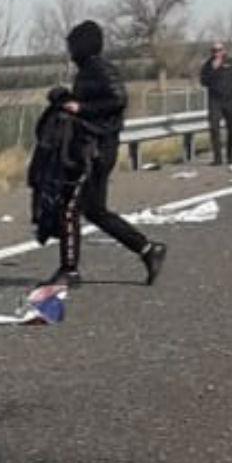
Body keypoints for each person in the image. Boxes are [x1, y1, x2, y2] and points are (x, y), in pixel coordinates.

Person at [47, 20, 168, 287]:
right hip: (96, 147)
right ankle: (149, 250)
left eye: (72, 45)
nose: (70, 50)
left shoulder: (99, 68)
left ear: (83, 45)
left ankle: (69, 270)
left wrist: (80, 108)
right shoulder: (88, 70)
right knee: (95, 210)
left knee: (70, 207)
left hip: (96, 149)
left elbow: (118, 98)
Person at [197, 40, 232, 168]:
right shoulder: (208, 65)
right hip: (214, 101)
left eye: (219, 50)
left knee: (231, 128)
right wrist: (213, 71)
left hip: (229, 100)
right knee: (214, 128)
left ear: (224, 50)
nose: (217, 53)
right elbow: (203, 81)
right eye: (214, 51)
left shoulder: (231, 62)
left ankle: (230, 156)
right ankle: (217, 158)